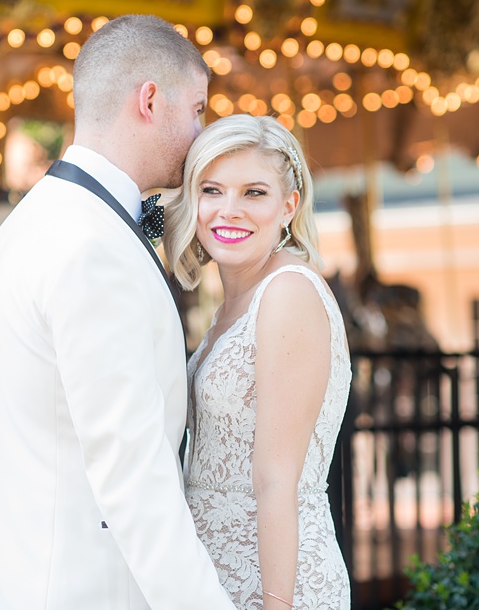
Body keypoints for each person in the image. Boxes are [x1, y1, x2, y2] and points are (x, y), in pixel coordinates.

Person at [0, 14, 236, 609]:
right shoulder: (92, 249)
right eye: (196, 109)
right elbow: (133, 477)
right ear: (149, 101)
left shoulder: (29, 226)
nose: (201, 132)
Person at [164, 114, 352, 609]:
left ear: (289, 205)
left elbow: (275, 479)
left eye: (254, 193)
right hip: (212, 577)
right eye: (212, 190)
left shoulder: (288, 293)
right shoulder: (232, 303)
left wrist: (276, 605)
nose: (229, 211)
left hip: (273, 584)